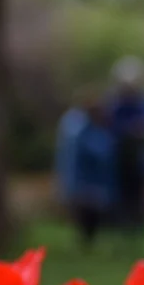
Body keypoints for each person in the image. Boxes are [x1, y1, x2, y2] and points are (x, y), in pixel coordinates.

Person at [55, 89, 117, 247]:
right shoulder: (80, 127)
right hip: (84, 182)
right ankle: (86, 242)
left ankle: (87, 242)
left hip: (87, 181)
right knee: (86, 214)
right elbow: (98, 151)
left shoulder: (78, 124)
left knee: (89, 214)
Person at [106, 56, 144, 232]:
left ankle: (139, 228)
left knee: (140, 196)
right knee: (122, 196)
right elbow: (110, 127)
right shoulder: (115, 103)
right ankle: (121, 228)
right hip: (120, 159)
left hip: (140, 158)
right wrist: (130, 131)